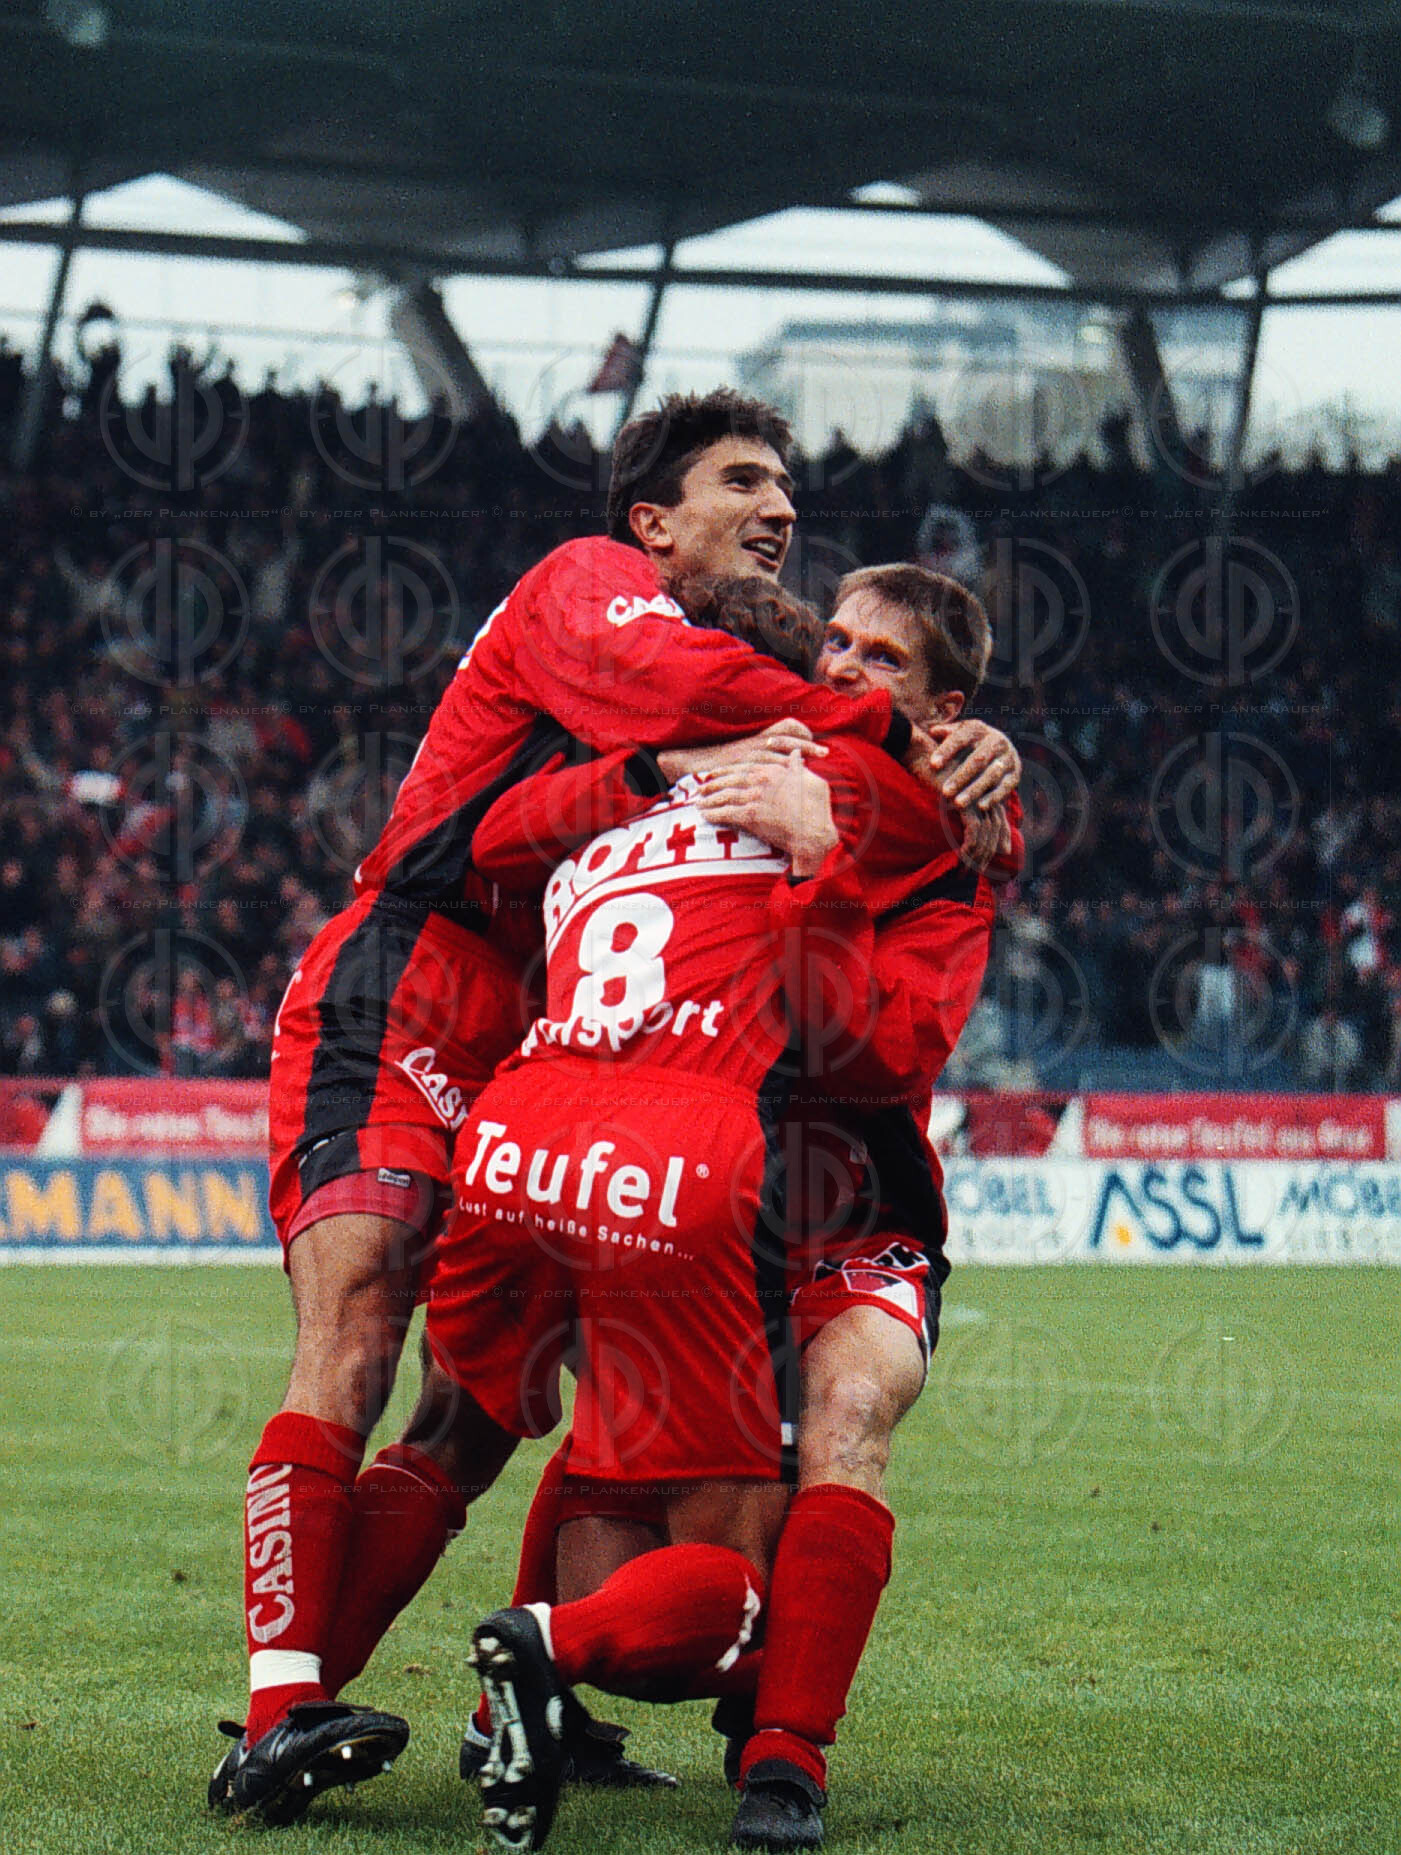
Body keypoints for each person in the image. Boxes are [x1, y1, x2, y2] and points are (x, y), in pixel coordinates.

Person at [211, 388, 1020, 1824]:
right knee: (362, 1317)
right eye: (741, 482)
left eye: (787, 488)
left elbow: (877, 918)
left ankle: (535, 1695)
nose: (779, 510)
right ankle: (286, 1709)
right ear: (651, 520)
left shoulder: (746, 741)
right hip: (420, 975)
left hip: (561, 1062)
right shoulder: (593, 585)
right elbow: (655, 710)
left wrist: (958, 781)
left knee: (481, 1407)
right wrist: (903, 750)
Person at [447, 566, 1020, 1850]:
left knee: (850, 1409)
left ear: (946, 710)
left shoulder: (938, 847)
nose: (843, 665)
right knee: (624, 1466)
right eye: (836, 640)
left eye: (882, 657)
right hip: (701, 1195)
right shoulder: (757, 770)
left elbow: (873, 1059)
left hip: (850, 1214)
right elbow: (509, 831)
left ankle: (784, 1760)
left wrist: (828, 856)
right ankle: (533, 1693)